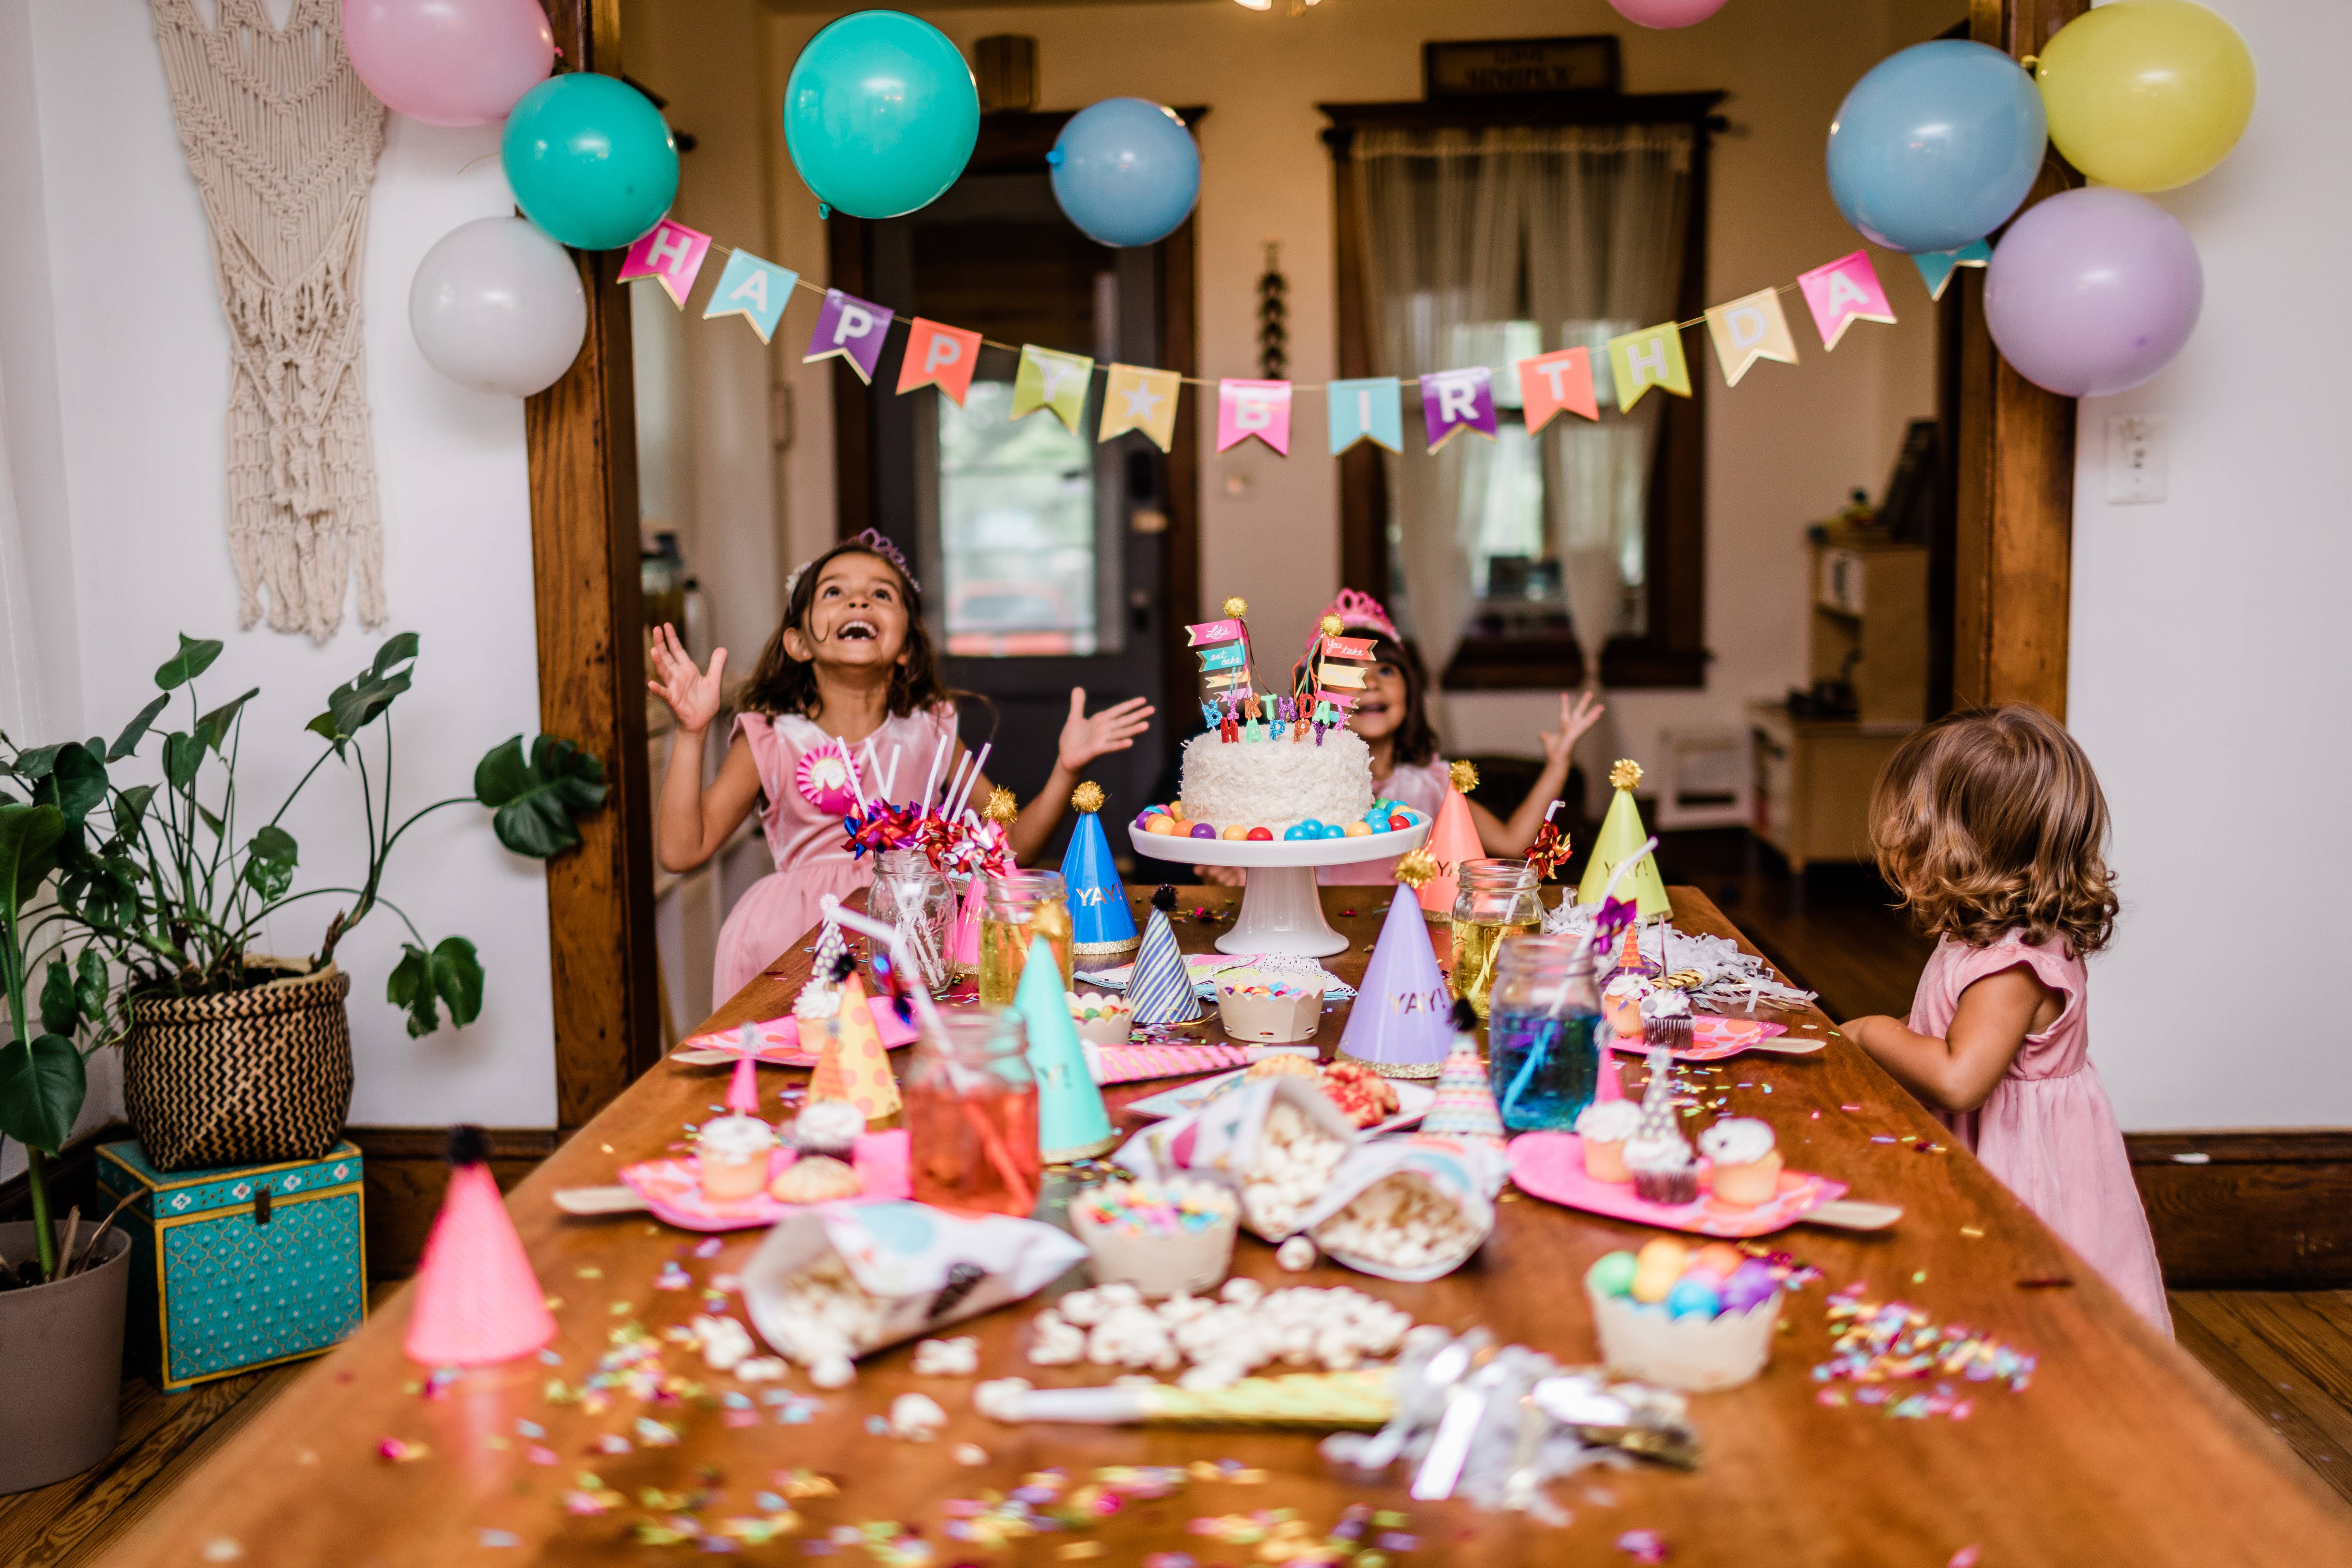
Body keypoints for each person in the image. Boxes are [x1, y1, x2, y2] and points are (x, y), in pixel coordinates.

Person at [648, 529, 1153, 1003]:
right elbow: (680, 849)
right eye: (834, 592)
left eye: (881, 595)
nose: (859, 601)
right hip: (791, 942)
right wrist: (691, 733)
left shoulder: (930, 730)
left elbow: (1013, 845)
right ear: (798, 642)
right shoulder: (770, 736)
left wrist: (1064, 768)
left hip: (914, 927)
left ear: (907, 648)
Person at [1837, 705, 2169, 1333]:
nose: (1892, 836)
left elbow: (1962, 1080)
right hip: (1992, 1144)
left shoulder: (2009, 965)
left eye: (1909, 824)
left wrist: (1869, 1030)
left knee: (2022, 1308)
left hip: (2017, 1162)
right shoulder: (1982, 940)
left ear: (1959, 845)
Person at [1199, 590, 1601, 886]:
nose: (1370, 684)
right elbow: (1258, 857)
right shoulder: (1291, 782)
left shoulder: (1432, 783)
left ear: (1410, 693)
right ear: (1317, 698)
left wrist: (1558, 763)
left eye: (1386, 671)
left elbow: (1513, 843)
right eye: (1349, 672)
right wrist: (1237, 872)